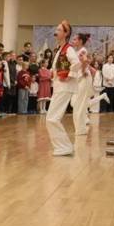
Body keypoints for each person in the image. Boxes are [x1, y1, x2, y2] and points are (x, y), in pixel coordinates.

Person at [46, 21, 81, 156]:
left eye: (59, 30)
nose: (56, 32)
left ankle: (64, 147)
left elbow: (76, 63)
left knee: (52, 118)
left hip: (64, 87)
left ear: (66, 33)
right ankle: (64, 146)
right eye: (56, 29)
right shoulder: (60, 49)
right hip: (59, 86)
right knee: (52, 118)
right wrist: (52, 72)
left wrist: (69, 76)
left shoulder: (69, 49)